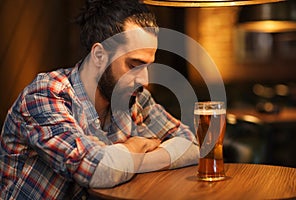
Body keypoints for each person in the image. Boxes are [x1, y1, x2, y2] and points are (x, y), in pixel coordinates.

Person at [0, 0, 199, 199]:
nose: (144, 81)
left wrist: (125, 158)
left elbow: (190, 145)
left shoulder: (134, 98)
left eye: (147, 66)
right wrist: (136, 146)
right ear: (99, 55)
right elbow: (98, 171)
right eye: (134, 65)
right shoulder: (45, 95)